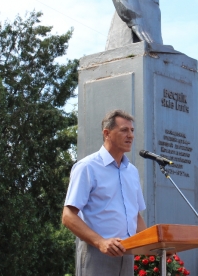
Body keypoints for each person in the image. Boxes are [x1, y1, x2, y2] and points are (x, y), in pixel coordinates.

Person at [62, 109, 147, 276]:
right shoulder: (87, 167)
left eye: (132, 130)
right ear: (107, 133)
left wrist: (153, 244)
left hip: (127, 255)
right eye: (124, 130)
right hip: (97, 253)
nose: (130, 135)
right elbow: (68, 216)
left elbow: (135, 216)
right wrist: (100, 242)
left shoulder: (132, 171)